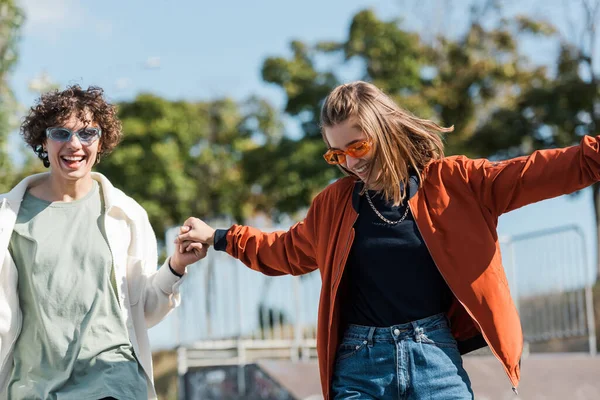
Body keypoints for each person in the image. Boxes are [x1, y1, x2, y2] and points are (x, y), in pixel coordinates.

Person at [176, 80, 600, 399]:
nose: (351, 162)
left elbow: (539, 171)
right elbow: (285, 251)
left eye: (357, 145)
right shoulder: (334, 205)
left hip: (434, 356)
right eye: (337, 154)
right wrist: (219, 237)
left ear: (385, 129)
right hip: (359, 366)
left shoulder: (456, 183)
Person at [0, 85, 206, 400]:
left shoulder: (126, 215)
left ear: (101, 142)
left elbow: (144, 311)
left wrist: (176, 266)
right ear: (43, 140)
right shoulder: (8, 218)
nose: (74, 145)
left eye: (87, 133)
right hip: (34, 388)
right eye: (60, 133)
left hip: (113, 382)